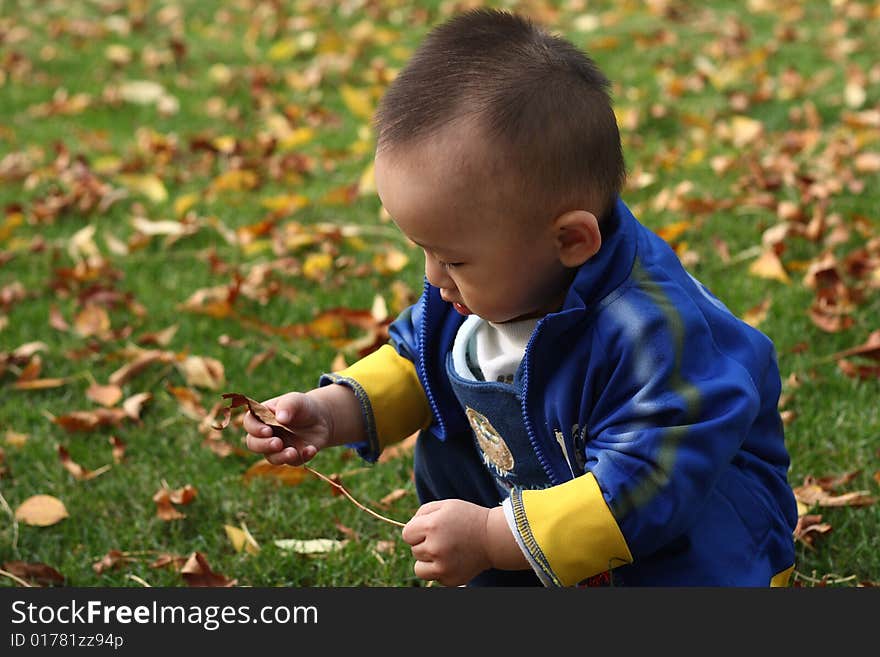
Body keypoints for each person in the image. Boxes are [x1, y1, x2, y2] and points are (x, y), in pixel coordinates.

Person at [244, 8, 798, 587]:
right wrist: (332, 413)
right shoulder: (478, 291)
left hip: (685, 531)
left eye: (454, 258)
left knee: (698, 548)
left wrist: (492, 537)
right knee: (449, 433)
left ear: (570, 240)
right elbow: (419, 362)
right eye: (426, 252)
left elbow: (647, 484)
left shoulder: (650, 334)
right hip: (544, 491)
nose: (434, 279)